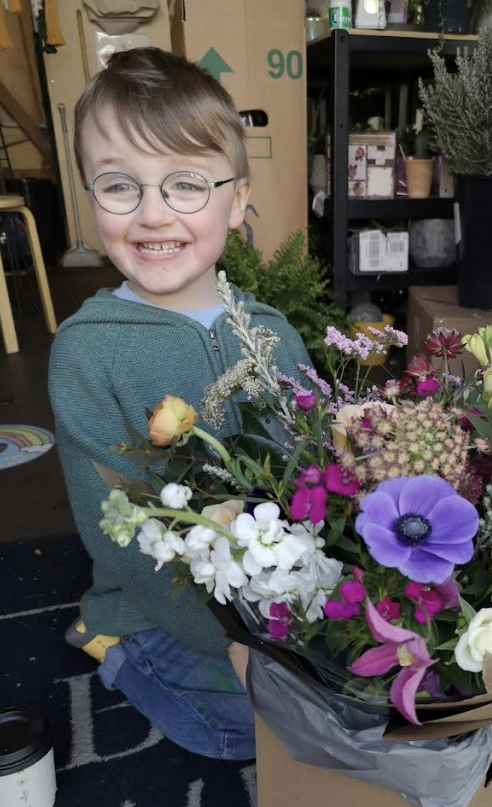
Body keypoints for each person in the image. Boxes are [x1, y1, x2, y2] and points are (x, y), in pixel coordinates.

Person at [48, 47, 310, 761]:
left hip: (275, 590)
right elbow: (126, 537)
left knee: (349, 698)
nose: (153, 214)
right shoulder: (88, 352)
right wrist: (235, 644)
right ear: (88, 196)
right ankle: (113, 644)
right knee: (249, 730)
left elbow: (312, 473)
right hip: (159, 603)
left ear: (239, 197)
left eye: (186, 184)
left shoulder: (274, 334)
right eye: (119, 186)